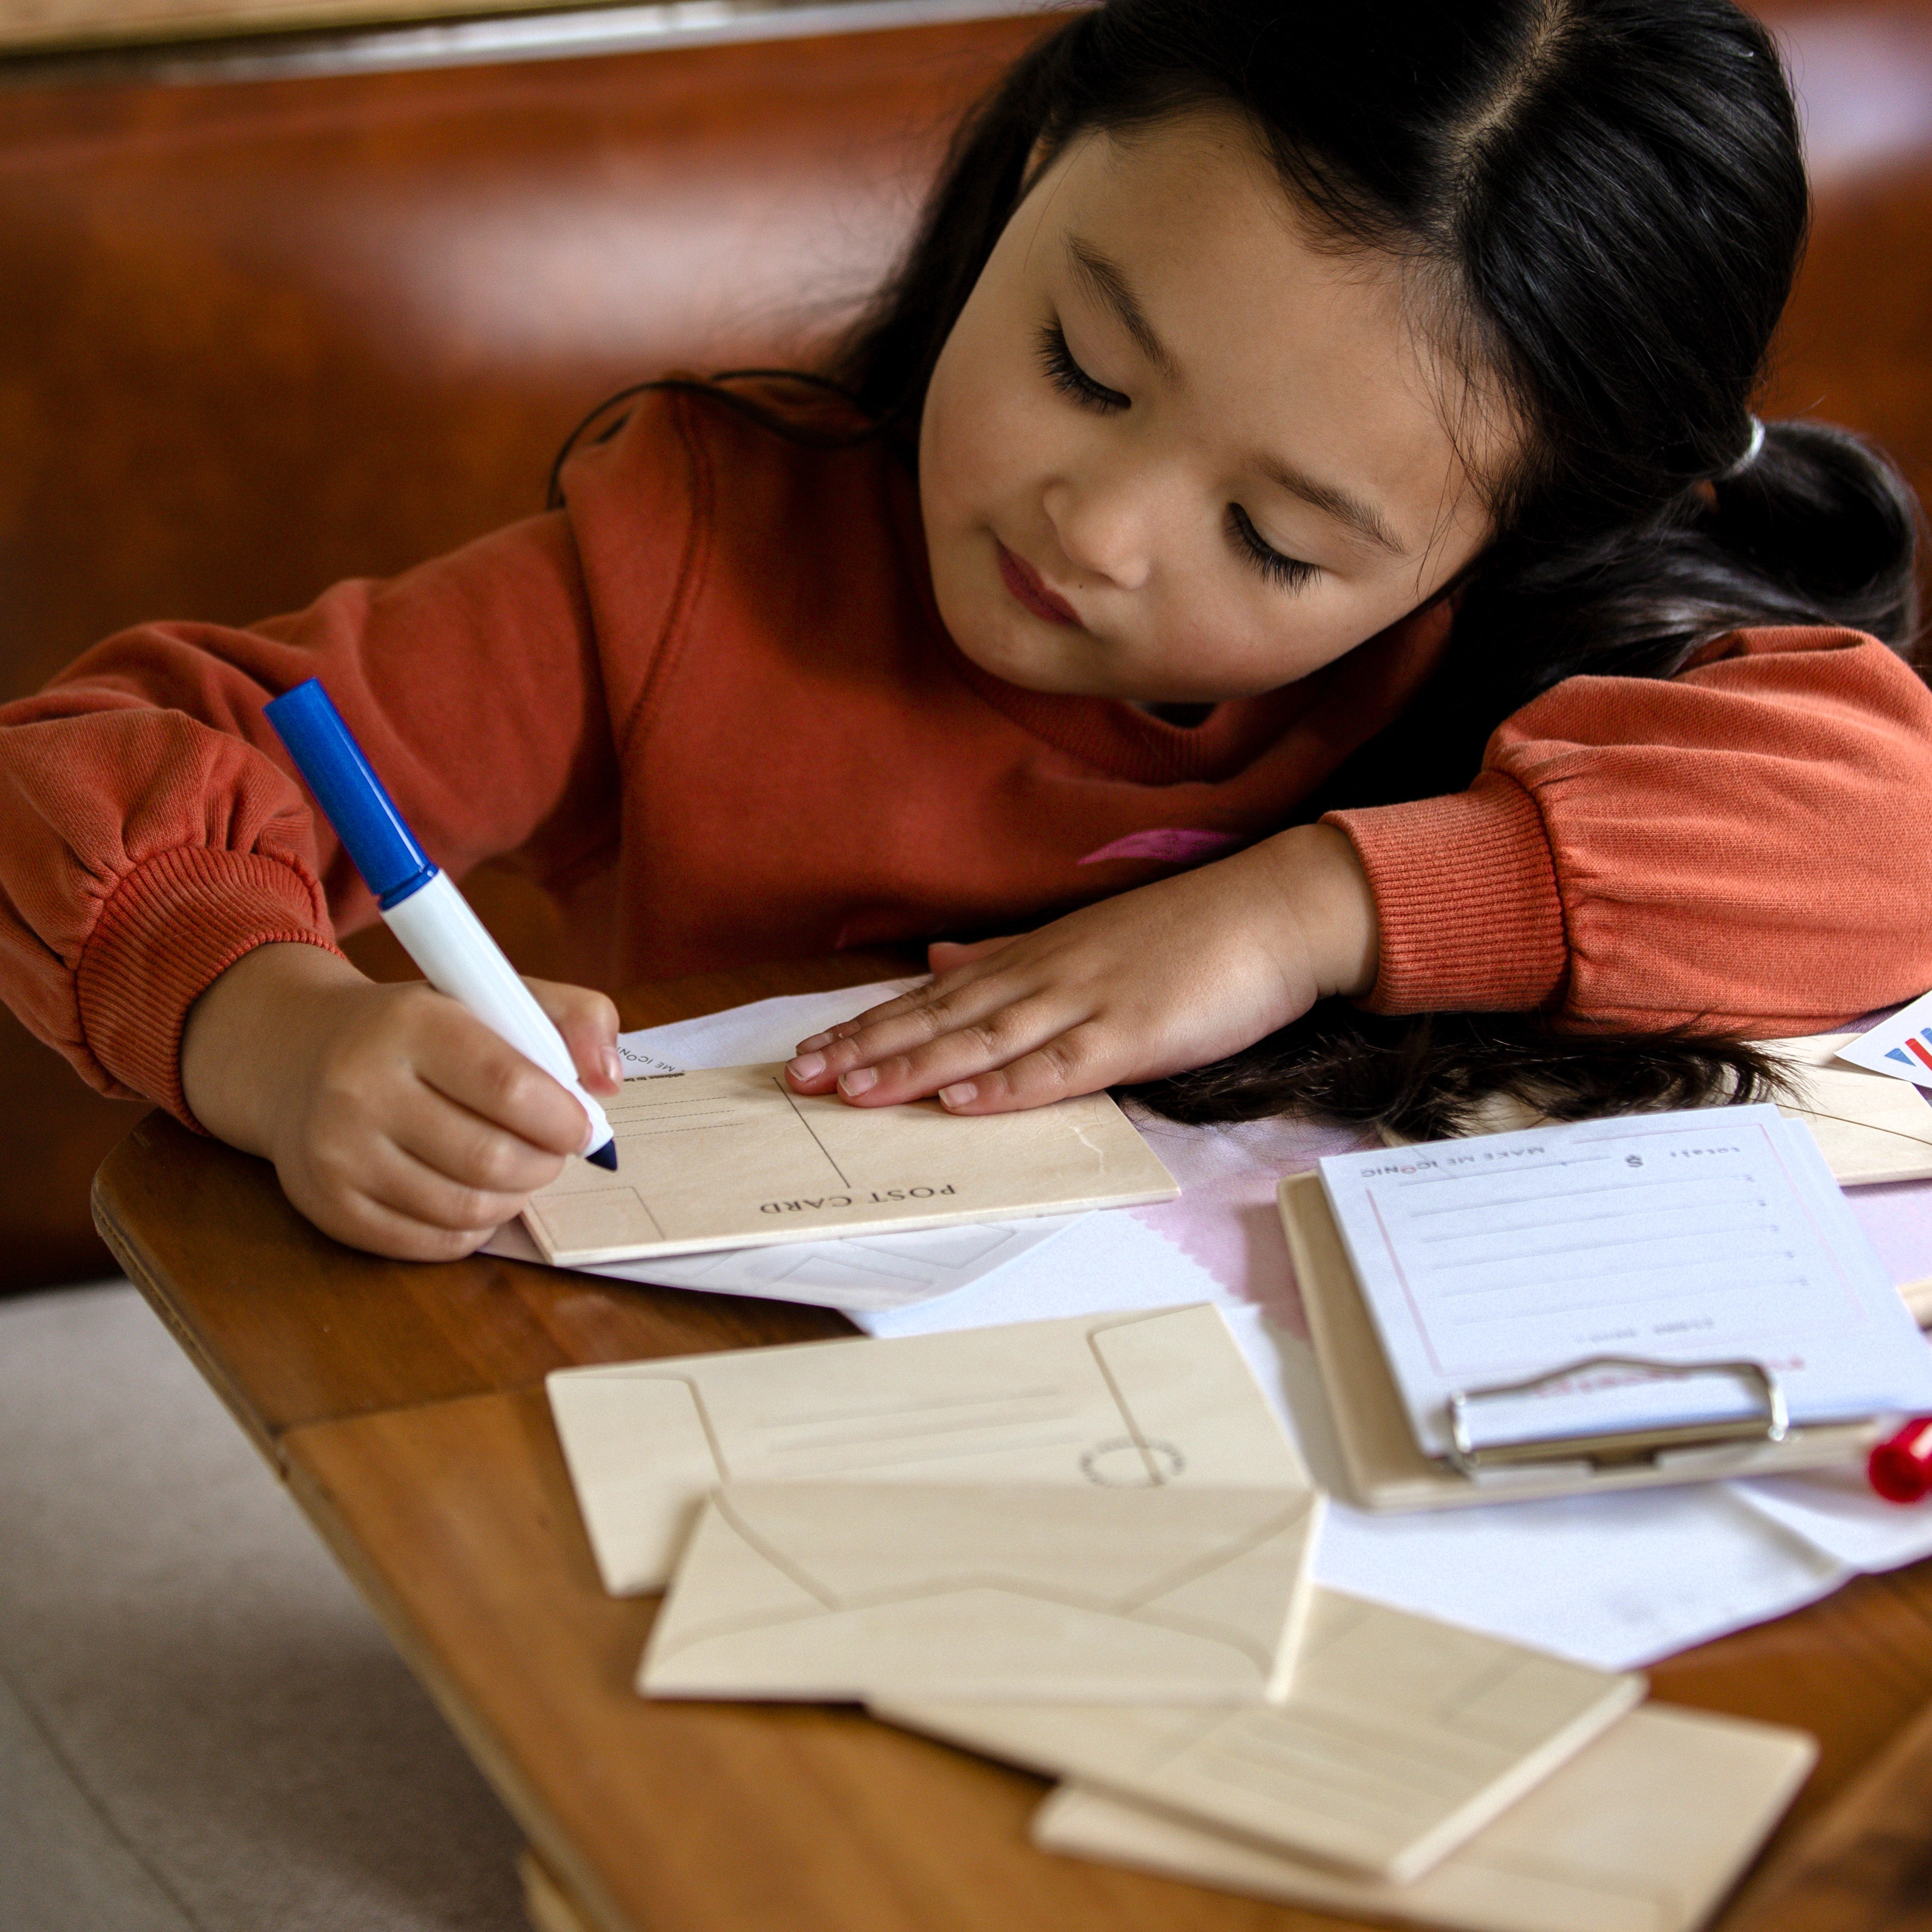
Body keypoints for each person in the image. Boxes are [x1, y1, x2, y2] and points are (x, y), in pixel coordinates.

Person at [2, 0, 1927, 1261]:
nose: (1085, 531)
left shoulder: (1534, 653)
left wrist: (1300, 909)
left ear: (1497, 540)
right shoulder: (692, 566)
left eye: (1271, 537)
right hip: (729, 1398)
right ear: (1024, 166)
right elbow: (77, 775)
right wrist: (274, 1030)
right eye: (1083, 363)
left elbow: (1888, 831)